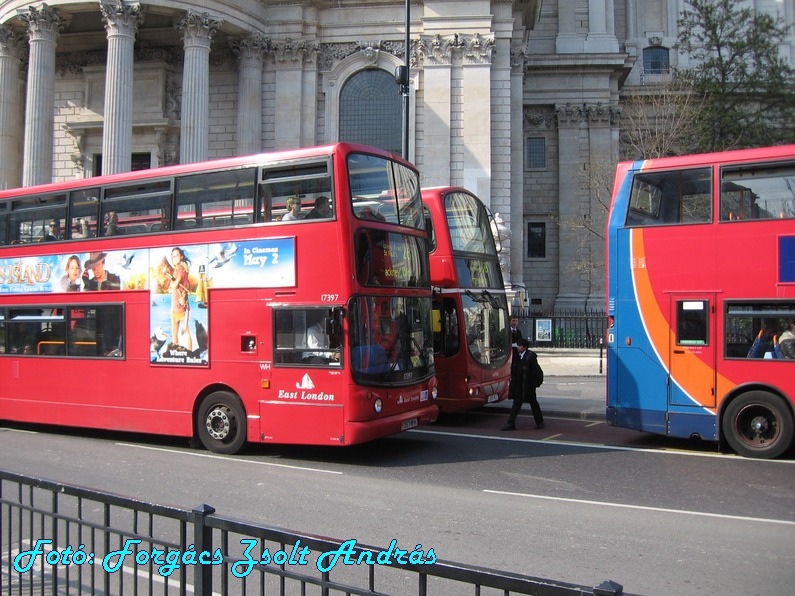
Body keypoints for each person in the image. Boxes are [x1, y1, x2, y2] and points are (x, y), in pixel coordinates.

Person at [502, 338, 545, 431]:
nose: (518, 347)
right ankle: (511, 423)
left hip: (528, 386)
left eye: (519, 346)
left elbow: (536, 372)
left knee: (533, 403)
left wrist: (533, 384)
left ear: (524, 347)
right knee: (516, 404)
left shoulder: (530, 357)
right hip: (519, 385)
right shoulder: (518, 355)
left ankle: (540, 422)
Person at [168, 247, 193, 350]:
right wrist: (172, 286)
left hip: (181, 305)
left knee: (185, 331)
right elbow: (169, 288)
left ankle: (190, 352)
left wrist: (173, 286)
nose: (174, 258)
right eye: (173, 256)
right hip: (174, 306)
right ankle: (175, 352)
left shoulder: (182, 269)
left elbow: (174, 285)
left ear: (181, 257)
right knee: (175, 332)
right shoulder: (176, 269)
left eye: (176, 255)